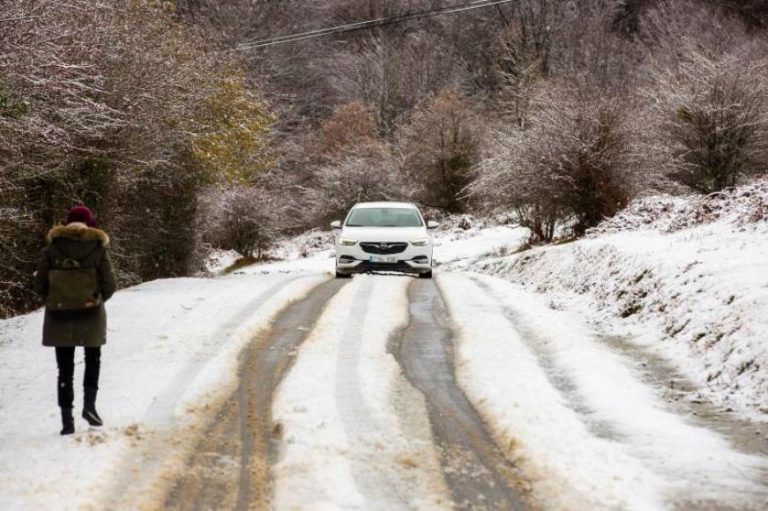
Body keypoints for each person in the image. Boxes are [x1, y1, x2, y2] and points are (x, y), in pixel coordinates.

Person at [35, 205, 117, 435]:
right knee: (93, 360)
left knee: (65, 368)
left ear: (67, 224)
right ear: (89, 224)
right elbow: (110, 285)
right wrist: (95, 299)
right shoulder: (98, 247)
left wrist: (57, 298)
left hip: (59, 316)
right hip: (91, 314)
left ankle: (66, 420)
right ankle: (89, 407)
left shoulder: (52, 249)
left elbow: (39, 285)